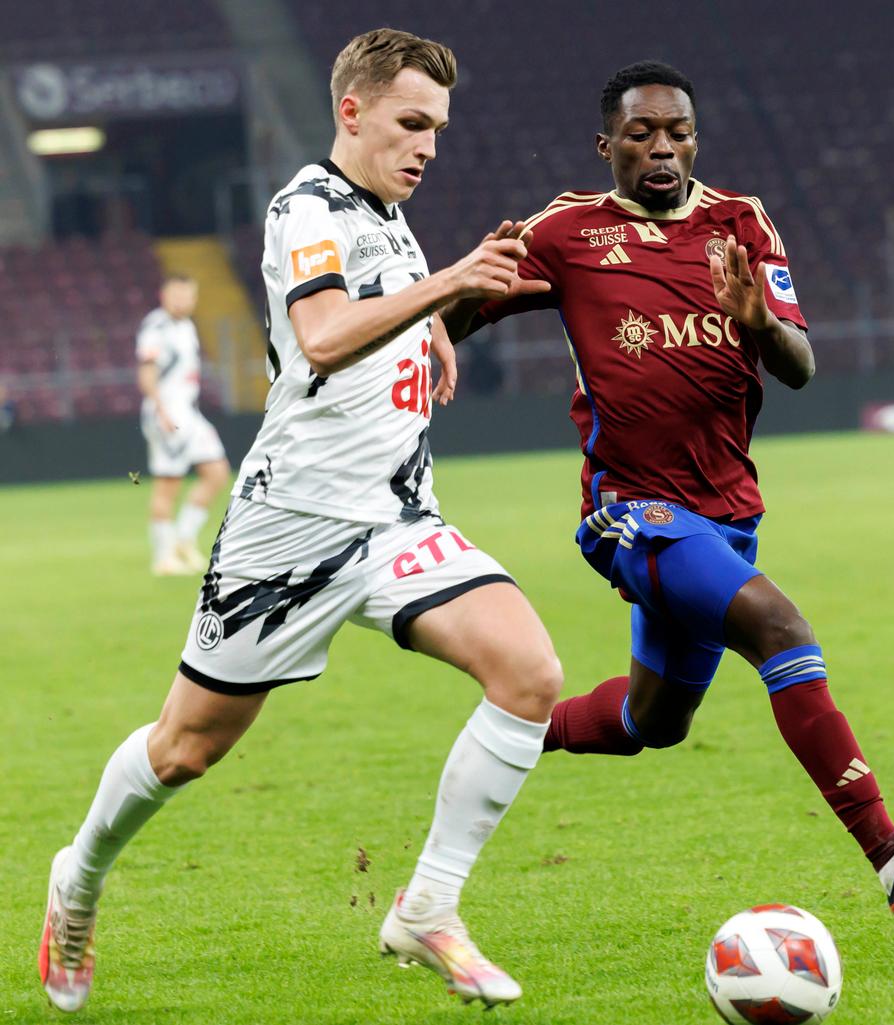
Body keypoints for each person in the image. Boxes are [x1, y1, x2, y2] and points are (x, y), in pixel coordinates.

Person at [39, 28, 564, 1012]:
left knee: (529, 670)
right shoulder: (304, 209)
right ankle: (79, 876)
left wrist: (441, 326)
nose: (427, 147)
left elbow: (387, 317)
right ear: (351, 112)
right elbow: (320, 338)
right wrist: (448, 283)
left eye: (439, 131)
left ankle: (426, 908)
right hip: (291, 527)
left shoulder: (389, 216)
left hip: (396, 519)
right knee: (184, 748)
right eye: (411, 123)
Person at [437, 61, 894, 934]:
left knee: (654, 720)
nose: (662, 148)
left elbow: (799, 367)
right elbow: (458, 317)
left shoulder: (741, 221)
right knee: (783, 631)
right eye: (642, 134)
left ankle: (506, 734)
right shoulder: (568, 232)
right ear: (606, 145)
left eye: (678, 131)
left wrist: (759, 319)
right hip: (631, 509)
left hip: (727, 512)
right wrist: (461, 294)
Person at [136, 273, 231, 575]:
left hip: (190, 413)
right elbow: (146, 372)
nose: (182, 300)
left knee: (217, 472)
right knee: (168, 486)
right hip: (168, 413)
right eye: (176, 294)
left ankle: (183, 541)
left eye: (188, 295)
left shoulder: (186, 326)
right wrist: (160, 410)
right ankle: (163, 557)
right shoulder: (156, 326)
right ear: (164, 296)